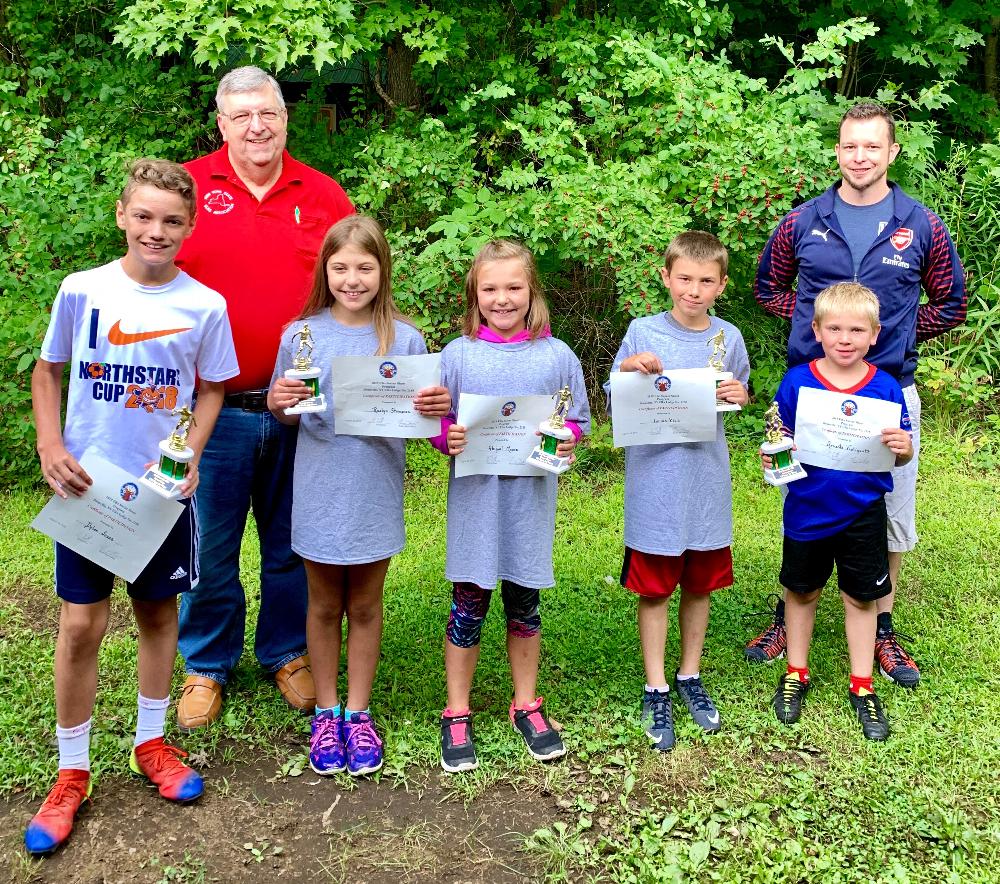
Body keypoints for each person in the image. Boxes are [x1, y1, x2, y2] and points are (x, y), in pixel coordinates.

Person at [25, 159, 239, 854]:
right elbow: (48, 369)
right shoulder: (81, 290)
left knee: (156, 615)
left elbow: (211, 388)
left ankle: (152, 745)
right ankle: (71, 769)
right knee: (82, 625)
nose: (157, 230)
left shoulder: (204, 304)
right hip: (87, 489)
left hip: (157, 494)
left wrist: (193, 454)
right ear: (122, 215)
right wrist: (51, 444)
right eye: (144, 216)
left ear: (190, 226)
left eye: (172, 220)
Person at [750, 102, 966, 687]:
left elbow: (951, 303)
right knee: (805, 502)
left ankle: (884, 627)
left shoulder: (920, 225)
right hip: (811, 391)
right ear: (838, 151)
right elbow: (768, 285)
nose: (860, 156)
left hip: (888, 391)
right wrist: (808, 330)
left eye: (872, 146)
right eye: (850, 146)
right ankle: (787, 610)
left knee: (888, 512)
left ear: (892, 153)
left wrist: (889, 335)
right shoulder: (802, 221)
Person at [174, 66, 355, 728]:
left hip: (302, 410)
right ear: (221, 124)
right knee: (210, 544)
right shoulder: (188, 188)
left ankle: (285, 652)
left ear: (285, 119)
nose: (257, 126)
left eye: (268, 113)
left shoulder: (324, 193)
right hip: (210, 409)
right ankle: (206, 664)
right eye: (241, 115)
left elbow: (357, 290)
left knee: (290, 543)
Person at [266, 216, 451, 776]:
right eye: (340, 267)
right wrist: (280, 400)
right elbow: (285, 413)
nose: (352, 278)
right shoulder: (301, 335)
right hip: (320, 487)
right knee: (323, 605)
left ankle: (359, 713)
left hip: (374, 487)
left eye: (365, 267)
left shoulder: (406, 339)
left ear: (382, 271)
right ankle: (326, 712)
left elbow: (426, 422)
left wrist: (433, 411)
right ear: (325, 270)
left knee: (366, 605)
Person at [434, 240, 590, 773]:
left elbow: (580, 423)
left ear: (532, 292)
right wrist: (444, 439)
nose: (502, 299)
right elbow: (438, 423)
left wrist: (567, 437)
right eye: (490, 289)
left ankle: (526, 702)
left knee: (525, 605)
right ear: (475, 295)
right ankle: (457, 710)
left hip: (529, 504)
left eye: (513, 288)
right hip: (476, 505)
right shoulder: (455, 355)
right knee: (468, 605)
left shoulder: (557, 355)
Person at [606, 232, 750, 752]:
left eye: (705, 280)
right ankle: (656, 684)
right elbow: (613, 394)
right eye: (684, 278)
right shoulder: (643, 331)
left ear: (721, 285)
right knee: (655, 587)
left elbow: (737, 392)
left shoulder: (728, 338)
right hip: (655, 485)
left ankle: (689, 674)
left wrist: (739, 392)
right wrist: (628, 368)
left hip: (706, 483)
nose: (693, 290)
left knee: (699, 584)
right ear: (666, 277)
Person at [764, 283, 913, 740]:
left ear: (874, 334)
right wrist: (773, 453)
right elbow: (777, 437)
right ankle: (795, 672)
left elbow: (900, 454)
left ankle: (863, 685)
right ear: (817, 330)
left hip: (863, 511)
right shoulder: (797, 381)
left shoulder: (886, 386)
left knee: (860, 598)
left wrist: (904, 448)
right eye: (834, 328)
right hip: (808, 508)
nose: (844, 338)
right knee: (802, 591)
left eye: (855, 329)